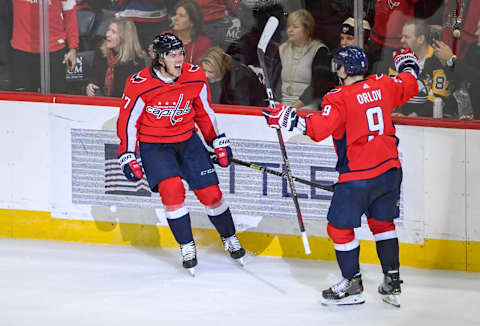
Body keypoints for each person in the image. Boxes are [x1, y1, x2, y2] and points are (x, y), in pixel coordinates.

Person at [263, 46, 419, 306]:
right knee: (383, 225)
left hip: (358, 177)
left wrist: (291, 119)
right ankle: (392, 281)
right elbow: (411, 83)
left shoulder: (338, 97)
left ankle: (353, 285)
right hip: (390, 170)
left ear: (344, 70)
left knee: (338, 228)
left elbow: (319, 129)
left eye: (338, 66)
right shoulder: (384, 84)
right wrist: (407, 65)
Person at [116, 33, 246, 275]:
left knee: (211, 194)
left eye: (181, 54)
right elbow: (128, 123)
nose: (179, 60)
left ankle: (229, 237)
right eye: (173, 55)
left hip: (188, 142)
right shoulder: (138, 83)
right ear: (159, 59)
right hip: (155, 147)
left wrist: (216, 139)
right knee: (172, 190)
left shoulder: (194, 75)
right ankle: (187, 245)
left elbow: (204, 113)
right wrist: (127, 154)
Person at [378, 18, 453, 117]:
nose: (402, 40)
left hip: (433, 125)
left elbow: (439, 99)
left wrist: (414, 116)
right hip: (404, 120)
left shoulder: (438, 61)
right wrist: (396, 113)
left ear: (421, 39)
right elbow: (391, 93)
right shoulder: (399, 59)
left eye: (406, 37)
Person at [10, 0, 79, 93]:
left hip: (54, 49)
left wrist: (73, 48)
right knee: (22, 100)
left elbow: (70, 14)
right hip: (22, 50)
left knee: (56, 97)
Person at [279, 9, 335, 110]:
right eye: (288, 26)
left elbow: (319, 85)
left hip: (307, 108)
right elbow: (275, 81)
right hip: (283, 106)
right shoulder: (282, 49)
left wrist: (293, 108)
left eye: (295, 27)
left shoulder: (319, 50)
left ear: (307, 30)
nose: (290, 30)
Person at [86, 18, 146, 97]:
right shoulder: (102, 51)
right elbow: (95, 78)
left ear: (124, 37)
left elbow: (132, 92)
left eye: (113, 32)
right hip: (102, 100)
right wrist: (90, 86)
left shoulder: (136, 60)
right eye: (109, 30)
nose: (107, 34)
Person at [199, 46, 266, 106]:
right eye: (204, 70)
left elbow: (240, 111)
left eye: (211, 72)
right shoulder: (204, 78)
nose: (206, 75)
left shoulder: (238, 81)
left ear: (221, 69)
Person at [172, 0, 212, 65]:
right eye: (176, 14)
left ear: (192, 22)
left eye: (181, 16)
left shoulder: (204, 44)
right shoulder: (165, 37)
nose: (175, 18)